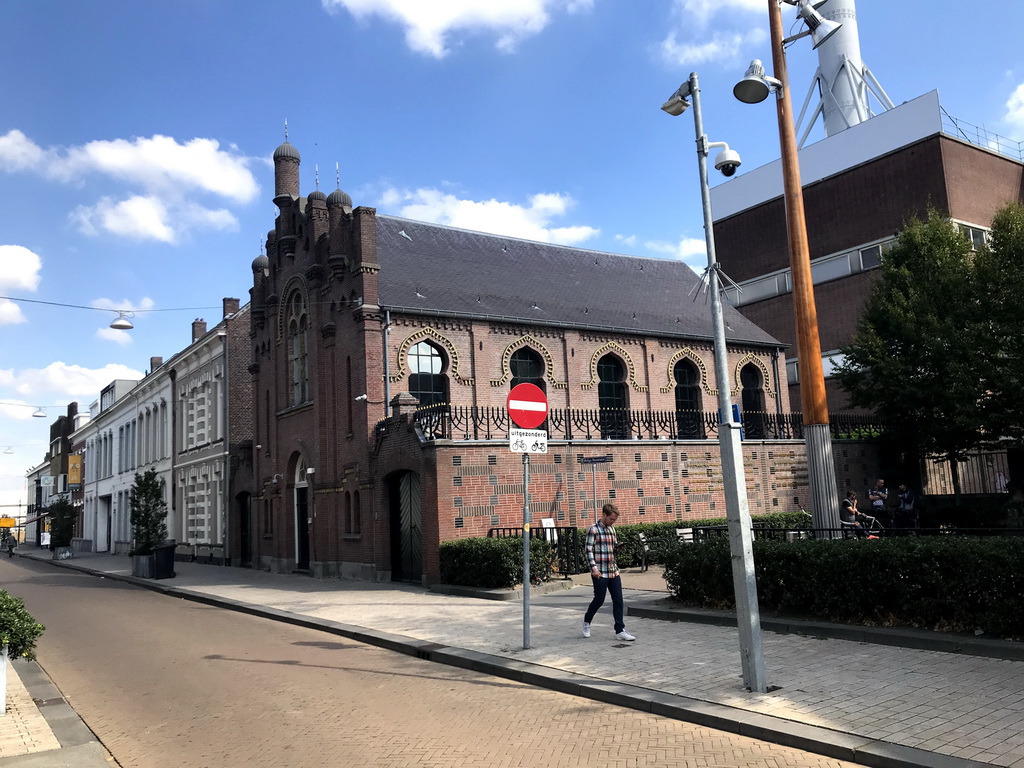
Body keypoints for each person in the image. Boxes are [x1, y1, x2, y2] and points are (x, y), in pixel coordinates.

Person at [582, 503, 635, 641]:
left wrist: (618, 548)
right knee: (599, 600)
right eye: (611, 519)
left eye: (614, 520)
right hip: (600, 571)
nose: (613, 522)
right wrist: (593, 568)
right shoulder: (593, 530)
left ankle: (620, 630)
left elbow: (612, 549)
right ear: (604, 515)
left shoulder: (612, 530)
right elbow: (588, 550)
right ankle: (587, 621)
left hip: (613, 570)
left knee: (618, 600)